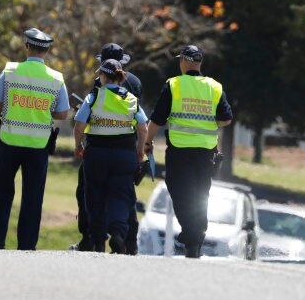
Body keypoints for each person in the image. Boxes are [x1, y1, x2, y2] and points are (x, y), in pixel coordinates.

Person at [0, 28, 70, 250]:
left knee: (2, 192)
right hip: (38, 146)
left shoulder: (10, 72)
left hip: (9, 142)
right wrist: (42, 109)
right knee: (33, 197)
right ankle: (27, 245)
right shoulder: (56, 79)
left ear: (27, 46)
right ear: (48, 50)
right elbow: (62, 114)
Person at [144, 45, 233, 259]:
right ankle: (197, 234)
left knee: (181, 193)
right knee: (201, 193)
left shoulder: (173, 85)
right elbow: (226, 119)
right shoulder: (214, 87)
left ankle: (192, 235)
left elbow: (157, 119)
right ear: (199, 63)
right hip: (205, 152)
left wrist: (146, 141)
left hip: (180, 150)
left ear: (183, 61)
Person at [73, 43, 144, 253]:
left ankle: (93, 239)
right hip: (125, 150)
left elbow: (83, 120)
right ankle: (125, 238)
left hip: (97, 149)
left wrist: (78, 144)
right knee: (124, 196)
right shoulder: (135, 84)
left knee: (91, 193)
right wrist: (141, 149)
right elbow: (142, 124)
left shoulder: (98, 88)